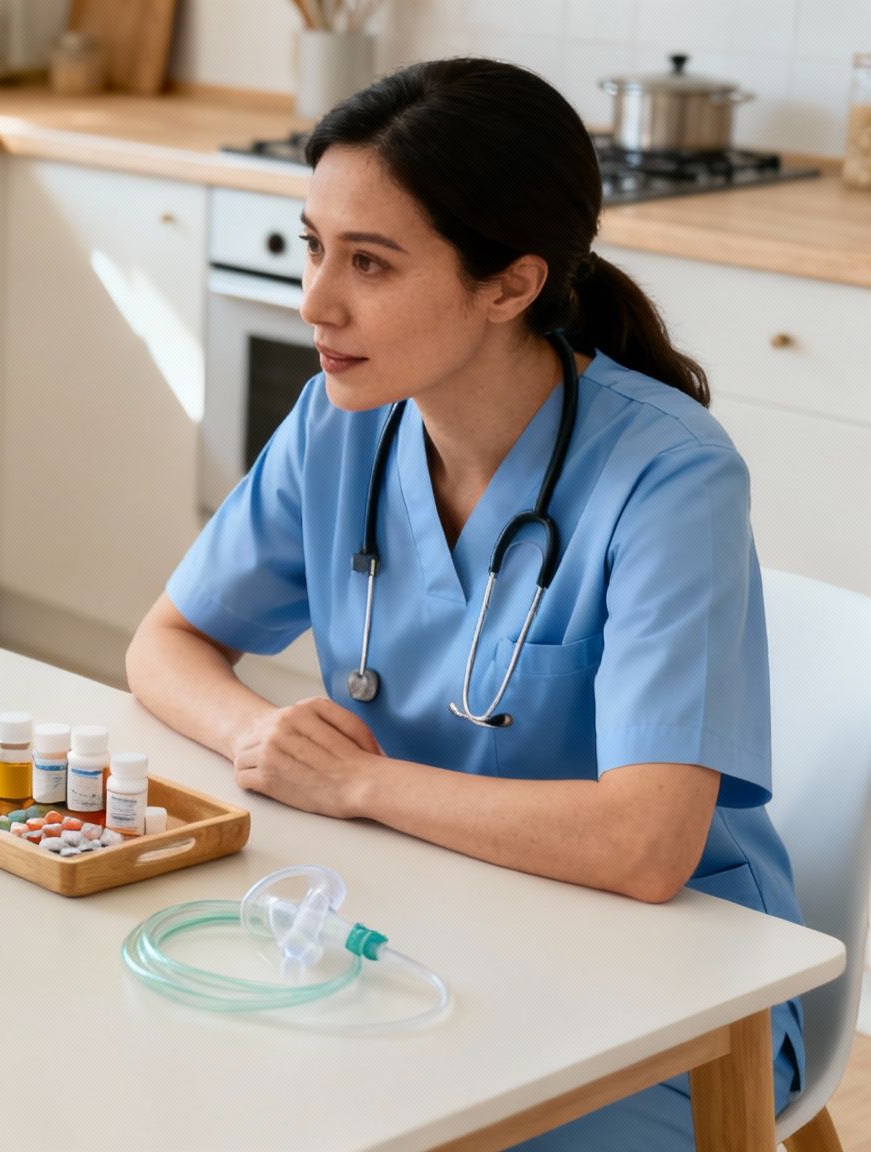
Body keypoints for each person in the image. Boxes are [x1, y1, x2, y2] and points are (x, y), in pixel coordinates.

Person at [125, 58, 801, 1148]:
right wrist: (259, 733)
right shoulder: (338, 420)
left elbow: (644, 846)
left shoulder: (668, 477)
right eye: (312, 247)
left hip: (667, 992)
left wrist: (357, 783)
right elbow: (166, 643)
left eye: (370, 264)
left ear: (508, 285)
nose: (315, 303)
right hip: (412, 922)